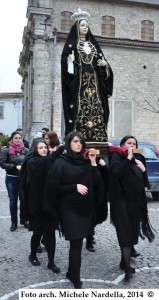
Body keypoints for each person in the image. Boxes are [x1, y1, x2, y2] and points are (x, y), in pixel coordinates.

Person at [44, 131, 104, 289]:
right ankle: (76, 279)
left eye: (81, 142)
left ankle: (71, 273)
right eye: (75, 141)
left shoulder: (85, 162)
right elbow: (53, 187)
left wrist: (93, 163)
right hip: (69, 208)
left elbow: (96, 183)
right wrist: (74, 187)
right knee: (76, 243)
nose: (78, 144)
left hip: (85, 208)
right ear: (68, 143)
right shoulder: (60, 162)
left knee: (78, 242)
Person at [61, 8, 113, 142]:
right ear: (77, 27)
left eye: (86, 25)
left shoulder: (94, 46)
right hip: (80, 84)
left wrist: (104, 66)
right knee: (80, 109)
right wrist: (70, 61)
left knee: (97, 108)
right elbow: (66, 67)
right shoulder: (72, 46)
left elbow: (103, 64)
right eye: (82, 25)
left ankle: (98, 136)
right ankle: (78, 138)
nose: (85, 27)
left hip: (95, 84)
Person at [109, 135, 155, 281]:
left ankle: (124, 262)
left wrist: (143, 170)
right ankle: (127, 268)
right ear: (123, 145)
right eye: (129, 143)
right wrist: (128, 159)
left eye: (134, 143)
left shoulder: (140, 158)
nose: (132, 146)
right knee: (125, 233)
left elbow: (146, 183)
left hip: (136, 203)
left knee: (133, 231)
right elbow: (116, 174)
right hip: (121, 202)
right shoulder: (117, 157)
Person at [21, 138, 64, 272]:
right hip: (36, 205)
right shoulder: (32, 161)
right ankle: (32, 254)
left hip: (51, 203)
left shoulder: (50, 161)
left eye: (45, 147)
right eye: (40, 147)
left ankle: (51, 262)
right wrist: (60, 150)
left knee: (51, 233)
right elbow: (44, 163)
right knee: (38, 232)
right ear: (35, 149)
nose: (44, 149)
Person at [0, 131, 29, 231]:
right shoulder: (7, 150)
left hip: (23, 178)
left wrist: (24, 167)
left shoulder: (25, 150)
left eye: (19, 138)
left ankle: (23, 219)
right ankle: (14, 222)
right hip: (11, 178)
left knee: (24, 200)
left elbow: (29, 162)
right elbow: (2, 163)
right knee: (13, 201)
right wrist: (14, 166)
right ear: (11, 139)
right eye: (16, 138)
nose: (18, 140)